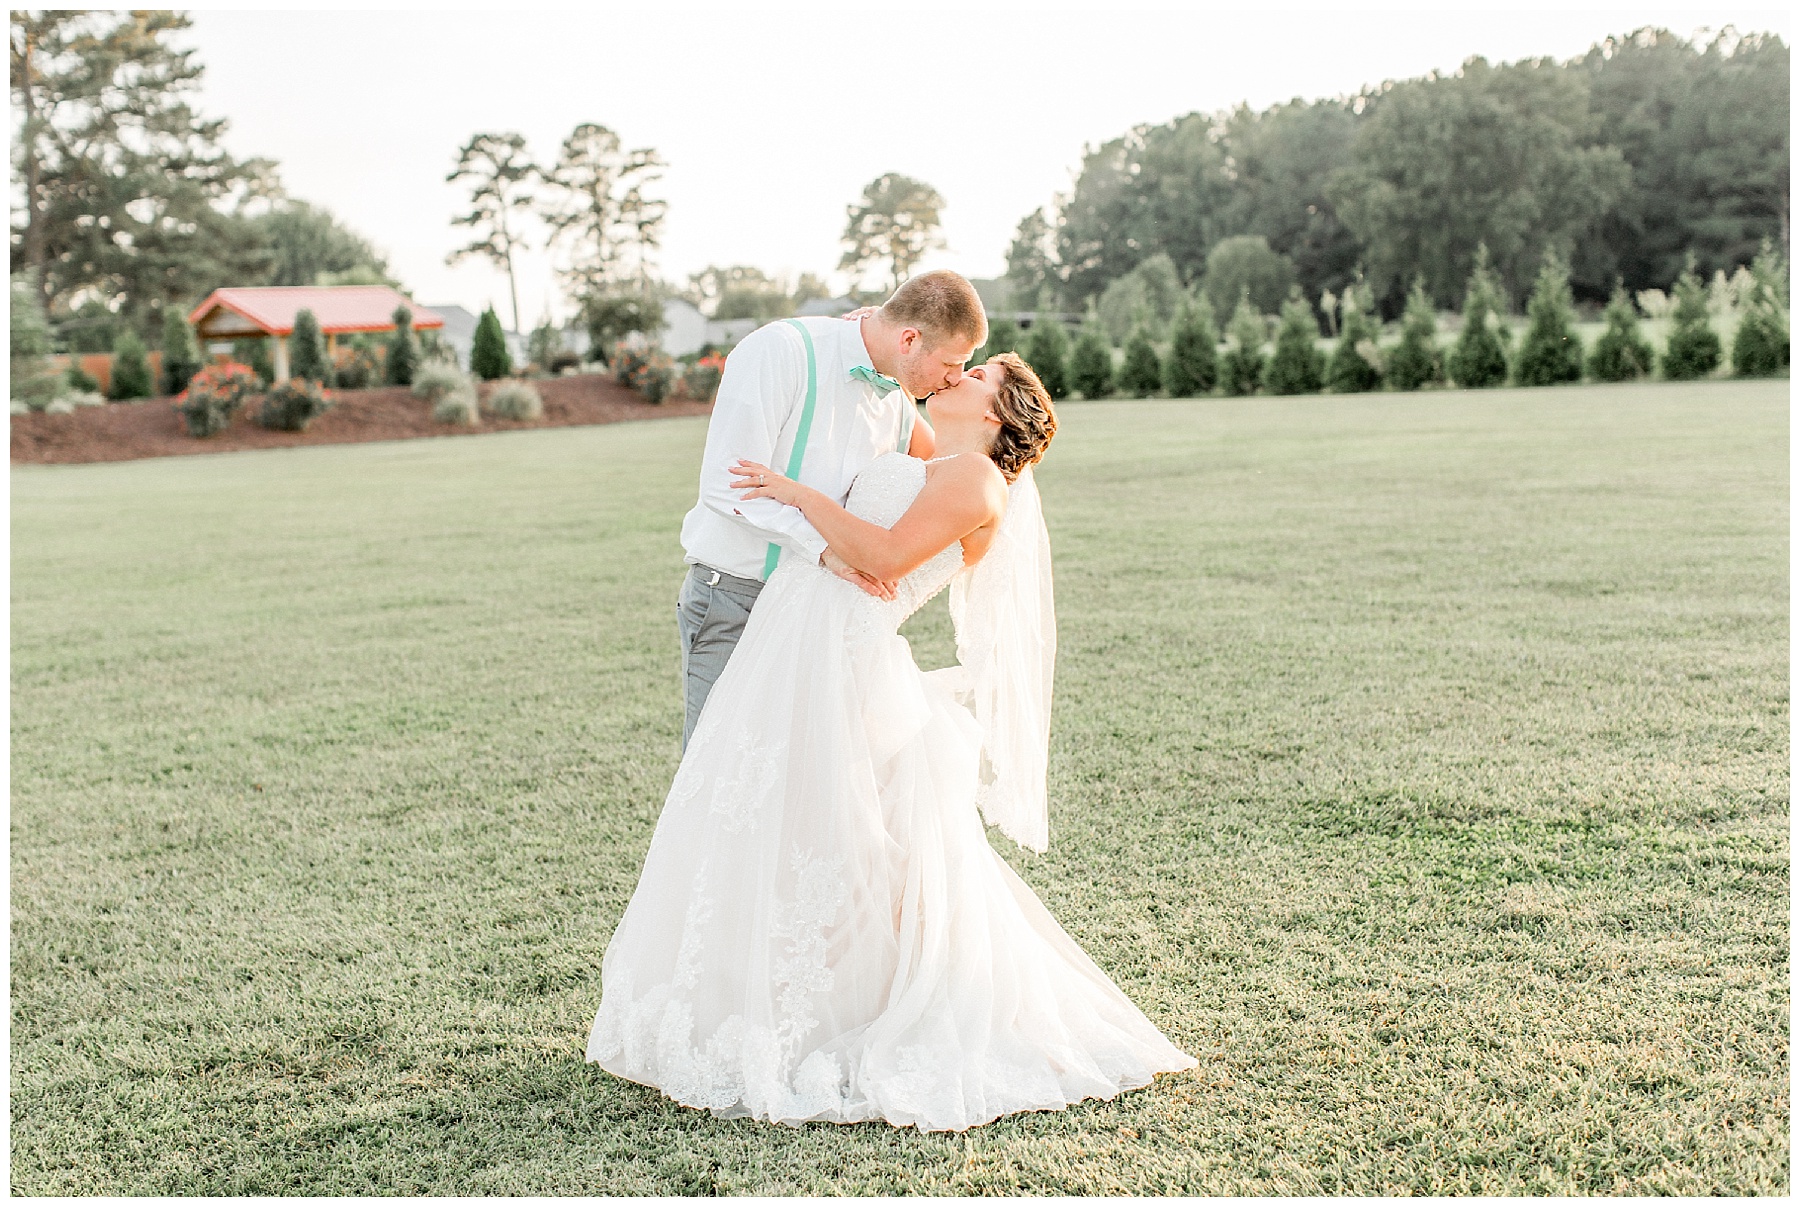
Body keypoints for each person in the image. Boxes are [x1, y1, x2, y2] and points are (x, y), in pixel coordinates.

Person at [586, 351, 1197, 1132]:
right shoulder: (933, 455)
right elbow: (882, 378)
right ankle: (750, 998)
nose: (960, 374)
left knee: (838, 837)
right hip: (798, 641)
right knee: (776, 821)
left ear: (998, 416)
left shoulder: (978, 482)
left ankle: (842, 1014)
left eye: (977, 375)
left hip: (846, 659)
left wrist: (795, 495)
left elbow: (881, 556)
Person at [673, 271, 986, 750]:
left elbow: (952, 466)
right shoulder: (781, 351)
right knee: (716, 770)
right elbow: (726, 484)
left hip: (819, 619)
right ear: (909, 338)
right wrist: (824, 550)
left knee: (794, 781)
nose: (956, 377)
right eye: (952, 362)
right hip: (737, 598)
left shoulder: (899, 401)